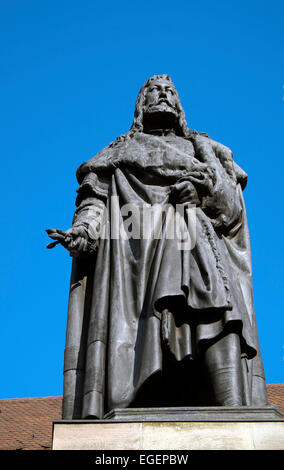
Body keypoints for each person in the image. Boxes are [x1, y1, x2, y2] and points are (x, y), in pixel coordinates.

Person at [47, 74, 268, 419]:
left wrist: (203, 194)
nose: (163, 96)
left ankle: (235, 411)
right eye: (154, 91)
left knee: (211, 289)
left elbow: (232, 210)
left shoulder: (205, 150)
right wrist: (83, 232)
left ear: (179, 106)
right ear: (141, 105)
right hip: (136, 264)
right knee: (197, 265)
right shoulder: (118, 152)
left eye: (170, 92)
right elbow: (94, 203)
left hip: (198, 248)